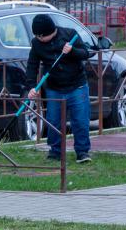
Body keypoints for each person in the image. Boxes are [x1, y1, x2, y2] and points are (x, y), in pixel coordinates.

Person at [25, 13, 94, 164]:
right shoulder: (36, 43)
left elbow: (85, 53)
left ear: (50, 32)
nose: (39, 39)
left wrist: (72, 51)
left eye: (41, 36)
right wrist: (31, 86)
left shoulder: (69, 34)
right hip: (54, 88)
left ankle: (82, 152)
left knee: (80, 120)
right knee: (53, 121)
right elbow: (32, 65)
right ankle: (55, 152)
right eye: (37, 36)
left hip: (77, 85)